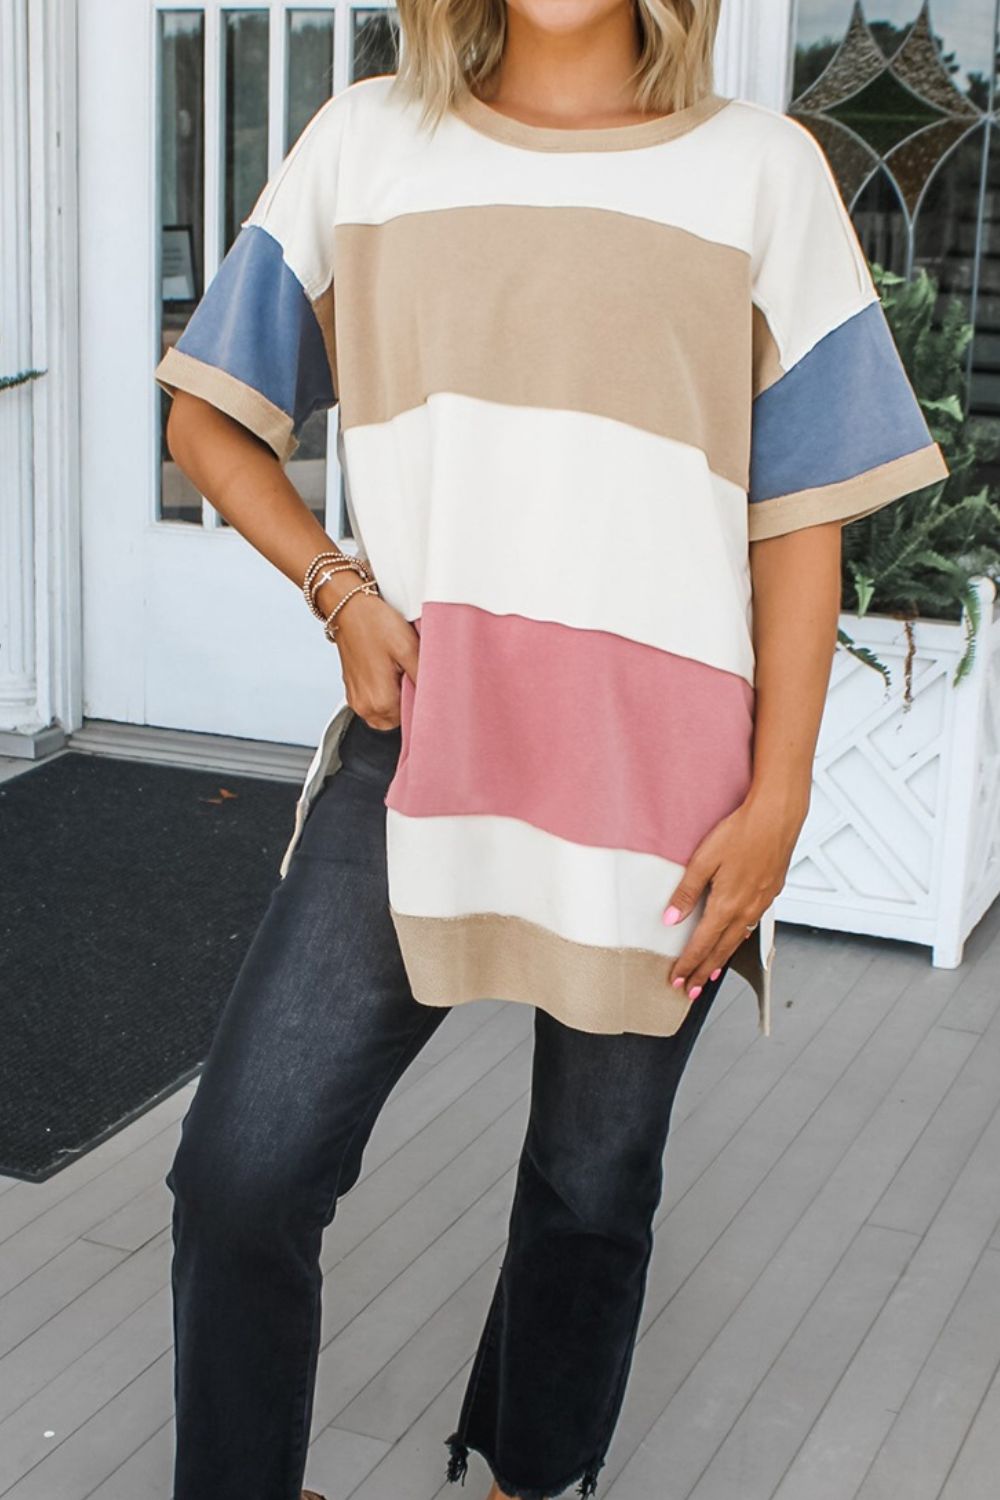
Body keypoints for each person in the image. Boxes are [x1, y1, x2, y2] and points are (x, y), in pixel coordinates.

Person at [154, 0, 950, 1496]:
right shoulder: (366, 145)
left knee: (592, 1192)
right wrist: (339, 590)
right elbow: (208, 416)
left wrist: (780, 794)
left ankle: (531, 1476)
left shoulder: (762, 173)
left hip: (667, 794)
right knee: (243, 1172)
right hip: (421, 751)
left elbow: (802, 519)